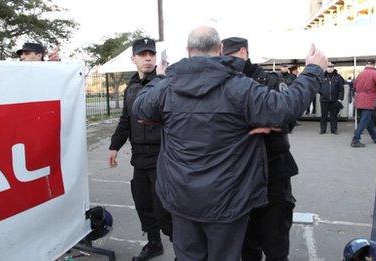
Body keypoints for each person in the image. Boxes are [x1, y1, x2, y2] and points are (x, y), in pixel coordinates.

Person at [132, 26, 327, 260]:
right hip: (227, 200)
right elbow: (284, 108)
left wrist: (161, 77)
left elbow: (140, 107)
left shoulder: (167, 87)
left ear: (188, 50)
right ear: (221, 49)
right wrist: (313, 71)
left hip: (182, 198)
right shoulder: (240, 87)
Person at [221, 36, 297, 261]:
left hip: (273, 171)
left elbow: (288, 118)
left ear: (243, 53)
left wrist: (268, 124)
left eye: (229, 56)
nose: (224, 62)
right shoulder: (226, 83)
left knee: (276, 243)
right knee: (246, 245)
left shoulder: (269, 80)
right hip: (240, 176)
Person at [107, 37, 172, 260]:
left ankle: (183, 247)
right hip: (140, 158)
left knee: (165, 208)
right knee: (143, 203)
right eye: (143, 55)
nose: (147, 58)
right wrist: (114, 146)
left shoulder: (166, 83)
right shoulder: (131, 87)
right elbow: (126, 120)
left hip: (162, 157)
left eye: (151, 54)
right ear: (133, 58)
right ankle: (154, 244)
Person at [351, 59, 376, 147]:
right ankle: (355, 139)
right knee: (364, 121)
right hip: (369, 99)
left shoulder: (360, 74)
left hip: (359, 99)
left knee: (367, 120)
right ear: (374, 64)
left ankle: (375, 137)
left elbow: (354, 86)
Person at [318, 62, 345, 134]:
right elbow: (318, 87)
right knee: (323, 116)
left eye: (331, 67)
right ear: (326, 68)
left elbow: (341, 89)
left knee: (334, 116)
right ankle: (322, 130)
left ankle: (334, 130)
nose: (330, 68)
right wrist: (322, 92)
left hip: (334, 100)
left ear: (333, 67)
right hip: (324, 100)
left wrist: (340, 99)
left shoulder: (338, 77)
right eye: (328, 67)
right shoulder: (322, 76)